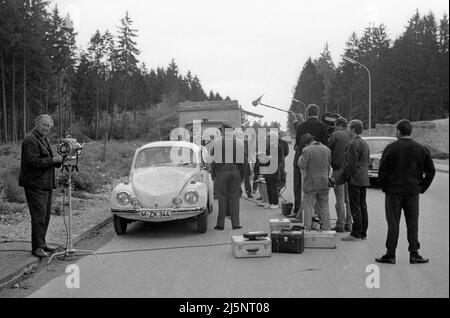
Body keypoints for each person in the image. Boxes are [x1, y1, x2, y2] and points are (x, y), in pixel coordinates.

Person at [376, 120, 435, 265]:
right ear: (410, 131)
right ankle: (414, 253)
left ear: (398, 131)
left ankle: (390, 254)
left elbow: (382, 172)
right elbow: (431, 171)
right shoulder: (421, 149)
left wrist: (385, 187)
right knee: (413, 223)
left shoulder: (391, 148)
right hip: (412, 192)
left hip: (394, 192)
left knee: (393, 224)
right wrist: (422, 187)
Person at [19, 115, 63, 258]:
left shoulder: (42, 138)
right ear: (37, 124)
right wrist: (52, 160)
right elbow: (32, 162)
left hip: (45, 184)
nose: (46, 128)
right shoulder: (30, 140)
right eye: (44, 125)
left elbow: (46, 160)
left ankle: (42, 243)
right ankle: (36, 248)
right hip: (35, 184)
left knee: (45, 215)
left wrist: (60, 160)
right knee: (38, 216)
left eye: (48, 126)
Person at [289, 104, 328, 221]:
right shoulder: (323, 126)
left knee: (298, 186)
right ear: (318, 113)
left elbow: (297, 145)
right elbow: (326, 144)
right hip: (319, 161)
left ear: (307, 113)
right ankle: (316, 213)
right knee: (318, 189)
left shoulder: (301, 127)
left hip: (302, 158)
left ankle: (297, 210)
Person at [336, 120, 370, 242]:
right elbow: (367, 161)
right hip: (364, 179)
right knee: (362, 206)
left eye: (349, 128)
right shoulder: (364, 143)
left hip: (355, 179)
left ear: (354, 129)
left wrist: (341, 178)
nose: (348, 130)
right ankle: (363, 232)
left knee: (355, 207)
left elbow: (350, 165)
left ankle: (356, 234)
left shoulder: (353, 144)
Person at [210, 124, 246, 230]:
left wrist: (213, 174)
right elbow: (244, 161)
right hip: (235, 172)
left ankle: (220, 224)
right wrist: (243, 175)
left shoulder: (217, 142)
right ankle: (236, 223)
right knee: (235, 198)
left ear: (223, 132)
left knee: (222, 198)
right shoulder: (239, 143)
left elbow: (213, 160)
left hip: (221, 172)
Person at [298, 134, 332, 230]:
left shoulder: (307, 150)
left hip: (311, 183)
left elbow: (302, 165)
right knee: (324, 206)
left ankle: (307, 228)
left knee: (308, 206)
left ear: (305, 143)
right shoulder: (326, 149)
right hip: (324, 182)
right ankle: (326, 228)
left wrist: (300, 158)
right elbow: (329, 166)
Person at [328, 117, 353, 232]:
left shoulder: (336, 135)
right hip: (351, 171)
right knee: (349, 200)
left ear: (338, 125)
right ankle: (349, 224)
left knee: (339, 198)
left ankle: (340, 224)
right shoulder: (352, 135)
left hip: (338, 171)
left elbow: (328, 149)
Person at [262, 131, 284, 209]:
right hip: (267, 168)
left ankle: (275, 203)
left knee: (273, 186)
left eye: (269, 138)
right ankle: (269, 202)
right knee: (268, 186)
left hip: (274, 169)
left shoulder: (278, 146)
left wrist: (270, 158)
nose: (267, 139)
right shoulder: (269, 146)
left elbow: (280, 158)